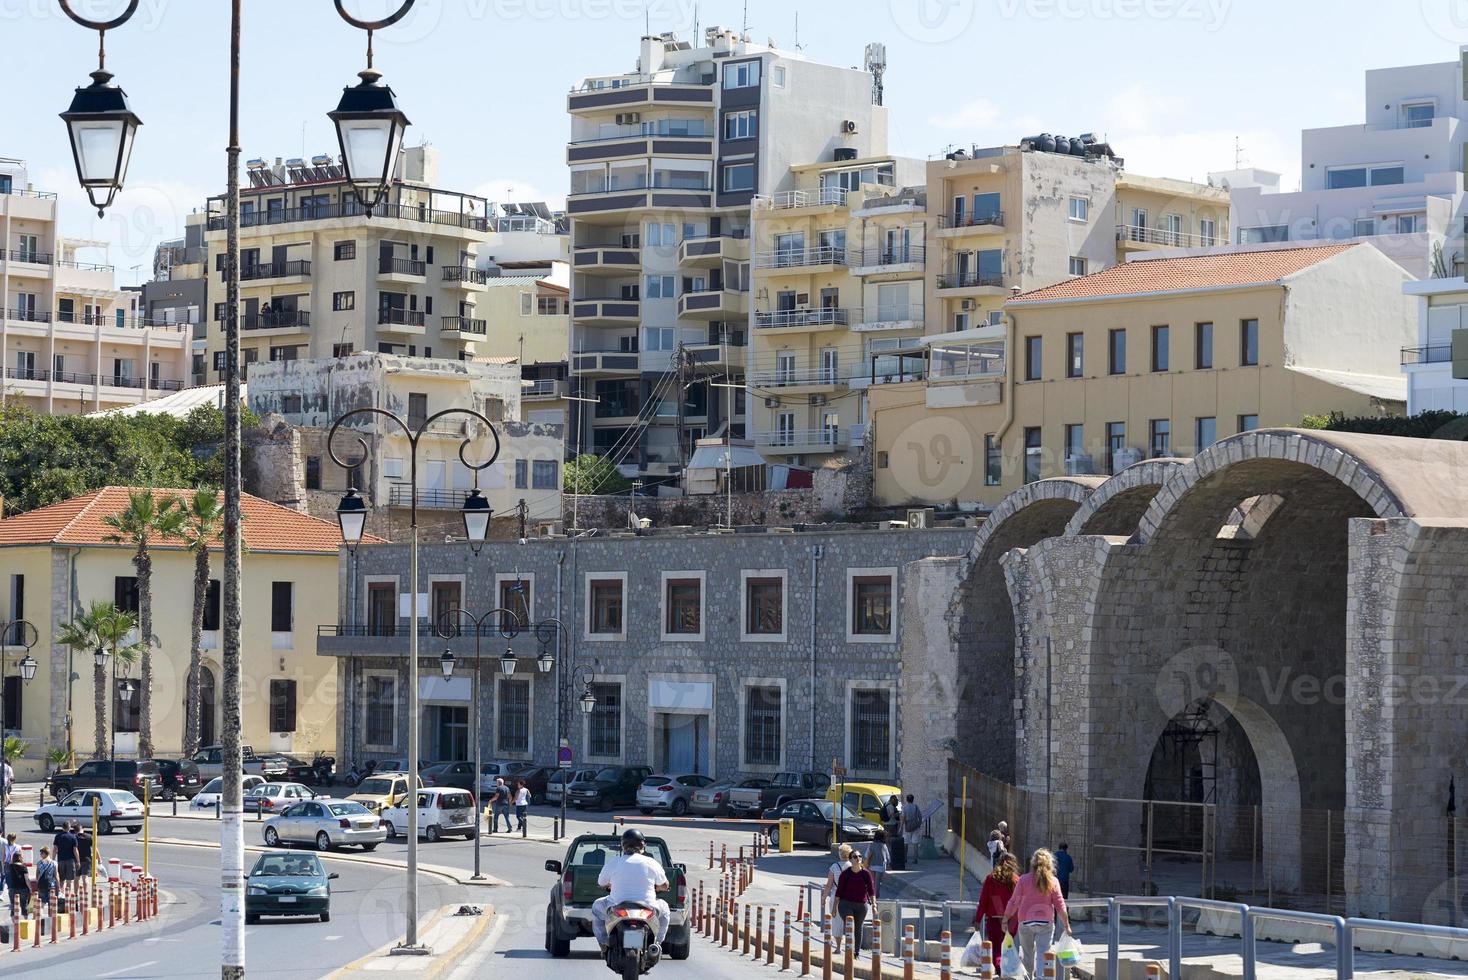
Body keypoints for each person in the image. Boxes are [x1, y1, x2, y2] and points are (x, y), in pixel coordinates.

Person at [592, 829, 670, 951]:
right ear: (643, 845)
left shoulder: (615, 862)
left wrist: (609, 884)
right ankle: (657, 944)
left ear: (623, 846)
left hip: (617, 906)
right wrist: (658, 887)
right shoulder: (651, 862)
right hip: (648, 907)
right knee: (665, 908)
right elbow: (665, 885)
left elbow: (601, 882)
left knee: (597, 906)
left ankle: (604, 943)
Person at [1004, 848, 1072, 978]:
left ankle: (1027, 977)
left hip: (1025, 921)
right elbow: (1060, 905)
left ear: (1032, 864)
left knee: (1027, 954)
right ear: (1049, 864)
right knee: (1043, 953)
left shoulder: (1023, 880)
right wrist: (1066, 925)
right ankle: (1040, 977)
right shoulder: (1053, 881)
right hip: (1045, 922)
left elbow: (1014, 902)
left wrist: (1005, 918)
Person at [972, 852, 1019, 960]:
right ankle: (1006, 969)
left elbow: (983, 901)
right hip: (1012, 921)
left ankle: (999, 969)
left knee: (996, 948)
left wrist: (978, 920)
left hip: (994, 920)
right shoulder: (1016, 880)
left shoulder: (991, 879)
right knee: (1007, 947)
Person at [834, 851, 879, 952]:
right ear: (850, 860)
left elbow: (871, 891)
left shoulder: (866, 874)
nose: (858, 858)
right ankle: (849, 950)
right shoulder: (845, 874)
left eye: (860, 856)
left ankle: (856, 953)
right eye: (855, 856)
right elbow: (839, 892)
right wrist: (834, 908)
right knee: (850, 924)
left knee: (858, 928)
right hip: (845, 904)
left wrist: (874, 905)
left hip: (861, 905)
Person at [821, 843, 853, 953]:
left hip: (836, 897)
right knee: (850, 922)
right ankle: (850, 947)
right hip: (850, 896)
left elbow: (829, 885)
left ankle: (838, 947)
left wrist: (824, 897)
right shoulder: (853, 866)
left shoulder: (834, 867)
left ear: (840, 854)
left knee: (837, 922)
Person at [53, 822, 78, 897]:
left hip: (60, 860)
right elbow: (75, 850)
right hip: (70, 860)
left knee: (61, 879)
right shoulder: (73, 837)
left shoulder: (58, 836)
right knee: (69, 881)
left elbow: (55, 849)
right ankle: (68, 895)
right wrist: (78, 861)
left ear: (62, 827)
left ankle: (62, 895)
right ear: (69, 827)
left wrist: (53, 860)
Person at [865, 830, 890, 898]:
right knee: (877, 882)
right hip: (880, 865)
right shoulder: (883, 846)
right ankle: (876, 895)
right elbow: (888, 856)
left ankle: (872, 895)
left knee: (872, 881)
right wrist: (888, 863)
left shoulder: (871, 845)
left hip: (872, 865)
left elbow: (866, 855)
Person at [7, 849, 31, 918]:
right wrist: (30, 888)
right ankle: (25, 920)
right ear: (20, 858)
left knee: (13, 906)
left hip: (12, 888)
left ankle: (14, 924)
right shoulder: (24, 867)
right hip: (23, 888)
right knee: (24, 905)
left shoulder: (10, 866)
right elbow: (27, 879)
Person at [902, 794, 923, 866]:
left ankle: (905, 858)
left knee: (905, 843)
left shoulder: (904, 807)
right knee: (915, 843)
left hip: (907, 826)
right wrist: (919, 824)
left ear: (907, 800)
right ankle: (915, 858)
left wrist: (901, 827)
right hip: (915, 826)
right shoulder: (916, 807)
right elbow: (920, 817)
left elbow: (903, 818)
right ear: (913, 799)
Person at [34, 847, 58, 912]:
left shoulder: (39, 863)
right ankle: (50, 919)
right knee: (51, 904)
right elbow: (56, 876)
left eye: (41, 853)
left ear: (45, 854)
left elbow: (37, 875)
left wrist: (38, 883)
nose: (40, 855)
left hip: (41, 886)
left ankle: (40, 917)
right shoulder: (54, 863)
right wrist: (58, 886)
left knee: (41, 903)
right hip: (51, 885)